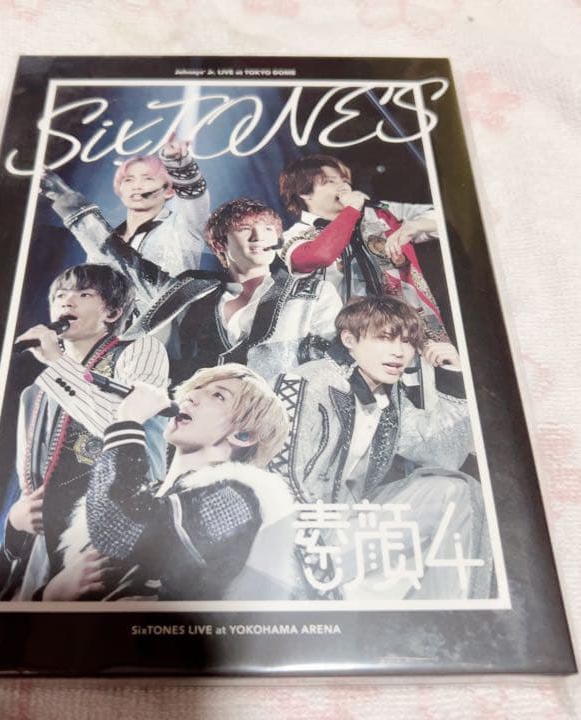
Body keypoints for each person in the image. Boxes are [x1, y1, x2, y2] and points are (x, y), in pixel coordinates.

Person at [270, 296, 492, 600]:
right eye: (384, 338)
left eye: (408, 342)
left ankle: (445, 614)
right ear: (349, 339)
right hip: (297, 542)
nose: (399, 352)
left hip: (350, 526)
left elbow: (442, 454)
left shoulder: (388, 397)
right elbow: (280, 479)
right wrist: (309, 551)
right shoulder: (305, 382)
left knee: (455, 491)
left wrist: (454, 378)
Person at [47, 364, 306, 601]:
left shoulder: (240, 499)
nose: (192, 396)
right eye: (196, 388)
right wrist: (51, 594)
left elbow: (120, 531)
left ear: (244, 435)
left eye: (218, 395)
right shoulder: (150, 496)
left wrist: (128, 422)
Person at [0, 263, 169, 600]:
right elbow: (31, 478)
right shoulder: (35, 392)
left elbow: (123, 425)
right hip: (42, 553)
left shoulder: (141, 351)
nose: (67, 301)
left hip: (110, 539)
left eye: (84, 294)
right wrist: (14, 521)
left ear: (112, 312)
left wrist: (57, 362)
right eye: (60, 295)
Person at [137, 198, 343, 385]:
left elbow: (334, 365)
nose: (258, 237)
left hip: (281, 411)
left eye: (268, 229)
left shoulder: (314, 293)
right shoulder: (194, 292)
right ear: (220, 244)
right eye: (244, 229)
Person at [40, 135, 215, 322]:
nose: (137, 186)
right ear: (120, 188)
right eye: (129, 180)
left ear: (169, 189)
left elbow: (196, 200)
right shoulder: (100, 241)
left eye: (148, 179)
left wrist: (178, 163)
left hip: (173, 330)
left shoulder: (185, 227)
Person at [278, 154, 449, 342]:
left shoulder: (380, 214)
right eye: (331, 181)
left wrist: (414, 226)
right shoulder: (293, 236)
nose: (344, 187)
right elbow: (320, 255)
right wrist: (351, 210)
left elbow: (445, 216)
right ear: (304, 192)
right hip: (350, 341)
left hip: (413, 331)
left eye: (344, 180)